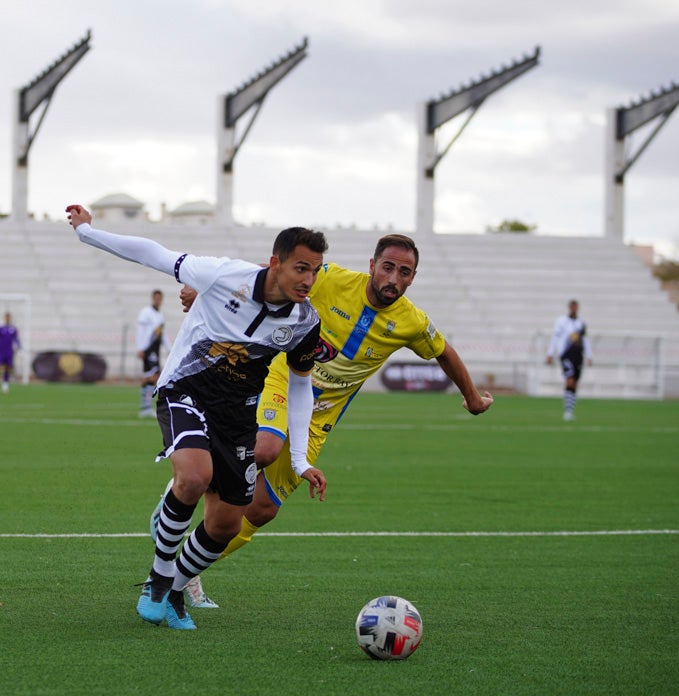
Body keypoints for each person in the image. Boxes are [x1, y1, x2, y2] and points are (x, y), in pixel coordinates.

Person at [167, 233, 495, 608]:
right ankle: (180, 490)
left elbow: (444, 352)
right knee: (266, 449)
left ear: (412, 278)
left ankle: (185, 573)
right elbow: (272, 274)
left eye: (404, 272)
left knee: (263, 510)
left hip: (319, 419)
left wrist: (471, 398)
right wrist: (210, 289)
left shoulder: (412, 322)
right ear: (372, 266)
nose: (393, 278)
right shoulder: (332, 278)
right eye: (387, 267)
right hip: (281, 381)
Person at [65, 203, 328, 631]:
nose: (308, 280)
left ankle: (175, 589)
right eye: (301, 268)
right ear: (275, 263)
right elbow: (155, 253)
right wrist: (89, 233)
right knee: (193, 476)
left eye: (315, 271)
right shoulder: (225, 275)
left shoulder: (303, 322)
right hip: (185, 390)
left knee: (225, 523)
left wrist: (300, 460)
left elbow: (300, 385)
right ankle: (157, 577)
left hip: (237, 413)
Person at [545, 300, 592, 421]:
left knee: (575, 383)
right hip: (566, 354)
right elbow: (555, 337)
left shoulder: (581, 324)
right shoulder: (561, 322)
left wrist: (589, 356)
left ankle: (570, 410)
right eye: (572, 307)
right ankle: (567, 412)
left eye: (576, 307)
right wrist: (550, 353)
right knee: (569, 380)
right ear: (569, 308)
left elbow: (585, 340)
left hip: (578, 355)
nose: (574, 309)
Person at [135, 289, 170, 418]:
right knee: (155, 376)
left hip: (155, 349)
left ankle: (145, 407)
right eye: (156, 298)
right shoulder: (146, 313)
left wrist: (169, 349)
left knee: (150, 376)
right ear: (152, 299)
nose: (158, 301)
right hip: (148, 349)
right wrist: (140, 348)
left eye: (159, 299)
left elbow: (162, 335)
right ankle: (145, 407)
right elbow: (141, 331)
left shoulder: (160, 315)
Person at [0, 312, 20, 393]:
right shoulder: (0, 328)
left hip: (9, 351)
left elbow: (16, 339)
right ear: (4, 318)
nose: (8, 319)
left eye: (9, 317)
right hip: (1, 351)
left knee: (8, 367)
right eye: (6, 317)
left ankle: (5, 384)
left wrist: (19, 346)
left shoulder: (13, 329)